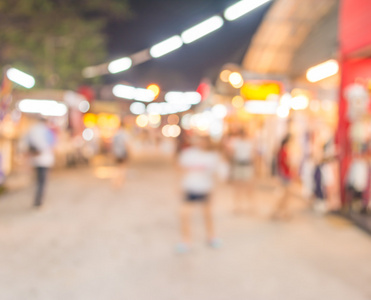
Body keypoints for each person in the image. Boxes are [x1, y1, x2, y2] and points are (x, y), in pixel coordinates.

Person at [177, 135, 220, 252]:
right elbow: (180, 170)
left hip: (205, 188)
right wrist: (178, 186)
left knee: (207, 215)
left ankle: (211, 237)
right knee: (185, 215)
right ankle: (186, 240)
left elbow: (215, 174)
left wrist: (214, 190)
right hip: (190, 188)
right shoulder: (188, 154)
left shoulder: (212, 156)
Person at [26, 116, 55, 207]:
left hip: (35, 159)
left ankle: (36, 198)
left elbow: (27, 143)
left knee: (37, 179)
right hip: (45, 159)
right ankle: (38, 200)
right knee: (42, 181)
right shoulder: (47, 131)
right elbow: (52, 144)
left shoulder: (32, 130)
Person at [229, 129, 255, 213]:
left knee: (248, 187)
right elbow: (232, 153)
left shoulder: (249, 143)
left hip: (246, 165)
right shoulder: (236, 142)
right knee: (238, 187)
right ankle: (238, 206)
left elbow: (252, 155)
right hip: (239, 165)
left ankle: (250, 205)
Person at [272, 135, 292, 220]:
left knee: (284, 195)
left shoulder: (280, 151)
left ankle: (280, 212)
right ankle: (280, 212)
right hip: (285, 175)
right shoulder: (284, 151)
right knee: (285, 195)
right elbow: (287, 163)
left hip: (282, 174)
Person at [112, 122, 129, 188]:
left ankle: (116, 181)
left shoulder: (116, 135)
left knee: (118, 167)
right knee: (122, 168)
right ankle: (119, 182)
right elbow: (126, 144)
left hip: (116, 153)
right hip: (123, 153)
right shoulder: (124, 134)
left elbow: (112, 145)